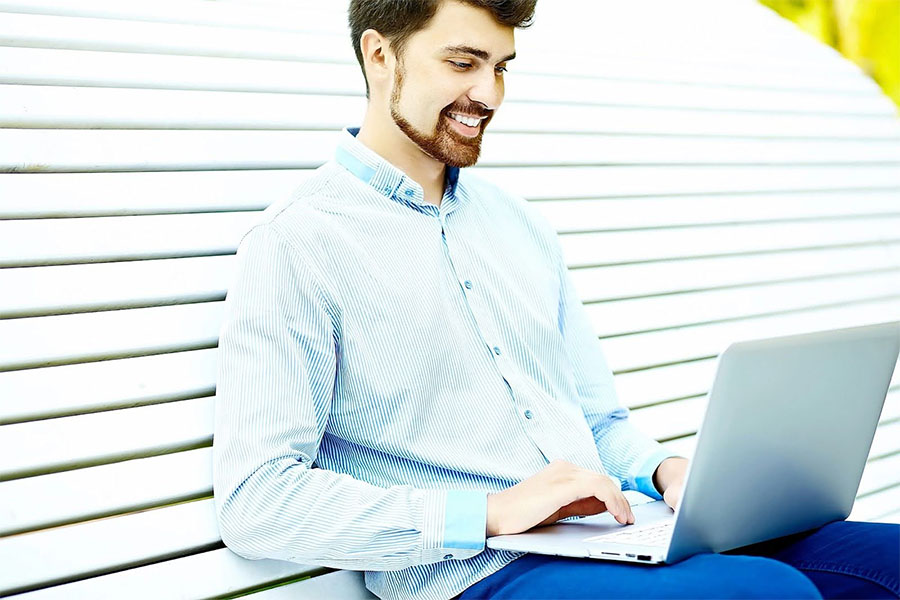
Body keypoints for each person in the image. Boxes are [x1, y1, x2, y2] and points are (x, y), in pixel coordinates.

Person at [212, 1, 900, 599]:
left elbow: (597, 419)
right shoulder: (296, 246)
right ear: (379, 54)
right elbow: (257, 498)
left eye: (502, 66)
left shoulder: (521, 227)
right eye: (462, 62)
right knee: (765, 591)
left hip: (615, 535)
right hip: (480, 576)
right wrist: (486, 512)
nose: (489, 93)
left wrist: (666, 470)